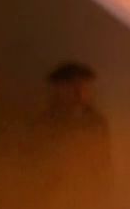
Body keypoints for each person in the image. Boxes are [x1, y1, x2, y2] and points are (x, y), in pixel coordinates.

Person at [30, 61, 112, 194]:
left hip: (89, 192)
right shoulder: (44, 124)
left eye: (84, 86)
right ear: (57, 89)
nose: (78, 92)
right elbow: (37, 165)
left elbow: (104, 163)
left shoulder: (96, 123)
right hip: (53, 192)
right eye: (71, 85)